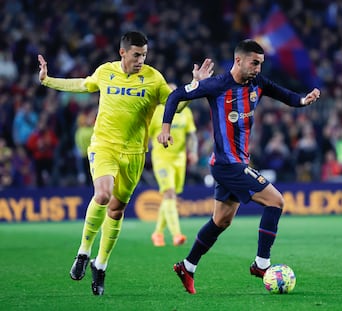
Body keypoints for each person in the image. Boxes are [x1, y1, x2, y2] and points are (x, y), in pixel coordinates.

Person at [37, 31, 214, 296]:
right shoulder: (106, 72)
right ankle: (83, 253)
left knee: (117, 210)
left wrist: (195, 85)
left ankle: (101, 264)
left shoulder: (154, 79)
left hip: (134, 154)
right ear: (123, 53)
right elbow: (82, 85)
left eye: (144, 54)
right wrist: (47, 80)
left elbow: (175, 105)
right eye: (136, 55)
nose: (141, 59)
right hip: (104, 146)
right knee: (103, 193)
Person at [158, 39, 320, 294]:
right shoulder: (218, 85)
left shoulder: (258, 84)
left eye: (261, 64)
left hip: (235, 163)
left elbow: (285, 95)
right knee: (275, 202)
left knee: (221, 220)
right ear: (238, 60)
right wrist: (165, 127)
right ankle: (261, 264)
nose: (258, 68)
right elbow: (177, 94)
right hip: (227, 164)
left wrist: (303, 100)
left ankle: (187, 266)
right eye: (254, 63)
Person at [149, 83, 199, 247]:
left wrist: (193, 151)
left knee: (170, 197)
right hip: (162, 158)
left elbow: (191, 134)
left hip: (179, 159)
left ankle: (157, 233)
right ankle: (176, 234)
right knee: (169, 194)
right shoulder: (156, 112)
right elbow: (145, 136)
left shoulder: (186, 112)